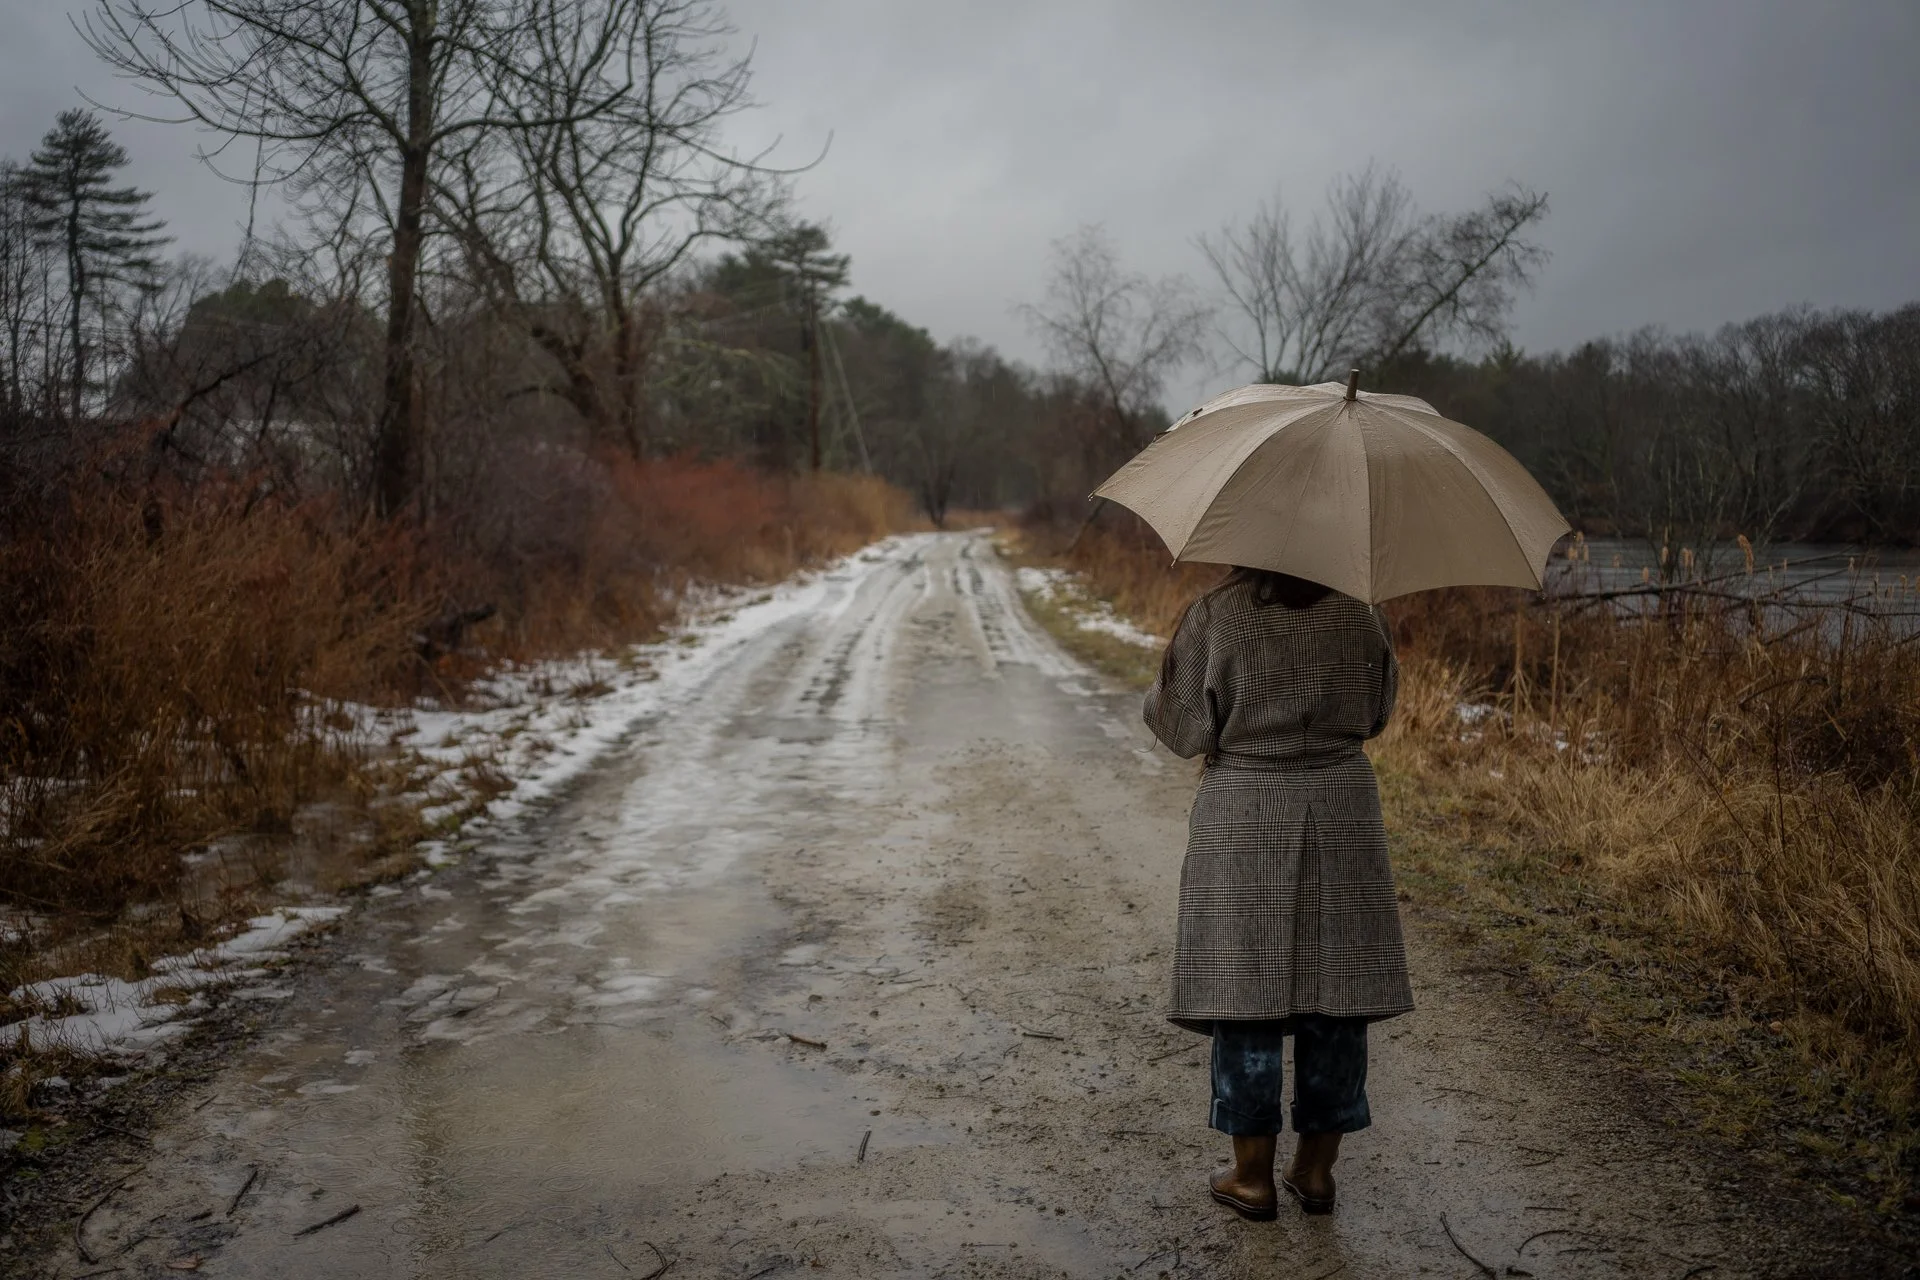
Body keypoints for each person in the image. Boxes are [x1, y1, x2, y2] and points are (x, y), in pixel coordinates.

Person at [1143, 566, 1410, 1220]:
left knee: (1245, 992)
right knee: (1337, 991)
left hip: (1244, 809)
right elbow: (1378, 712)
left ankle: (1252, 1177)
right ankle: (1316, 1172)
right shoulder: (1361, 613)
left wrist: (1170, 671)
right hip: (1341, 811)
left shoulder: (1219, 614)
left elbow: (1181, 730)